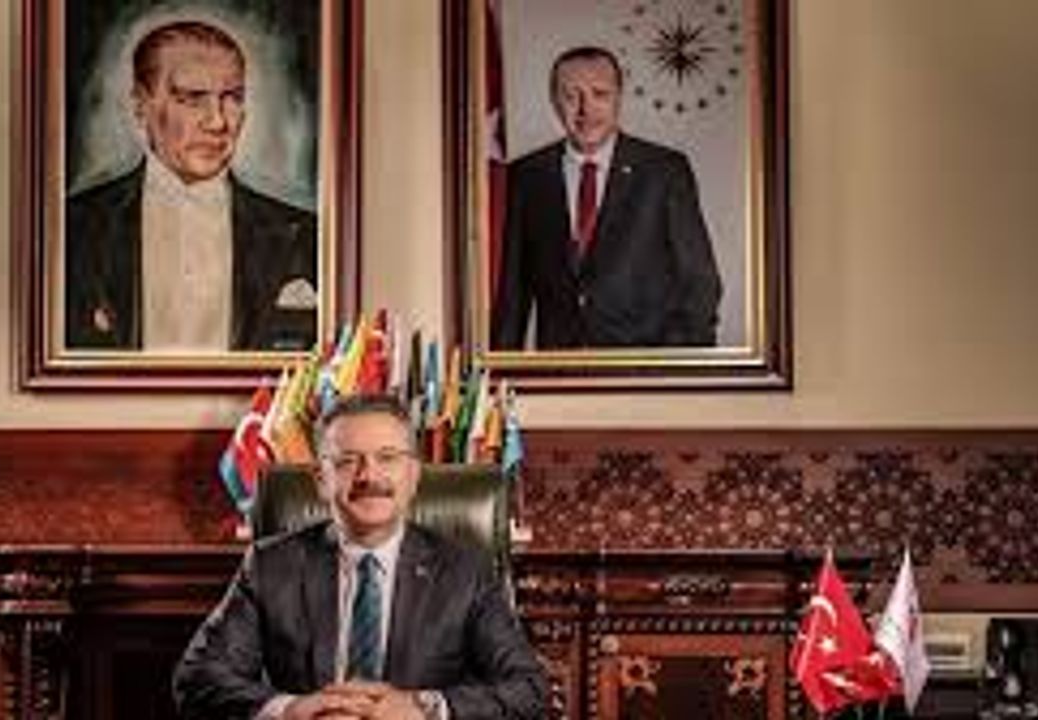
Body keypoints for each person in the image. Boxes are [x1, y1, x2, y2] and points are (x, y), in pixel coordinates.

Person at [174, 393, 547, 719]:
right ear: (321, 480)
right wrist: (291, 710)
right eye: (347, 461)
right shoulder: (271, 566)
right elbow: (198, 678)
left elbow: (527, 690)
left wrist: (424, 709)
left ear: (414, 475)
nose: (369, 475)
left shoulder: (465, 571)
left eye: (388, 458)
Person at [66, 20, 317, 352]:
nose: (218, 122)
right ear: (141, 104)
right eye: (193, 98)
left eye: (232, 98)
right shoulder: (74, 227)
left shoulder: (303, 233)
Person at [492, 46, 722, 349]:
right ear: (554, 101)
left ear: (619, 98)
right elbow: (513, 296)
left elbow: (700, 283)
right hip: (560, 368)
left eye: (600, 94)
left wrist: (672, 364)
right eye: (571, 96)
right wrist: (500, 369)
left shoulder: (664, 172)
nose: (585, 110)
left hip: (645, 365)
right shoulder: (528, 176)